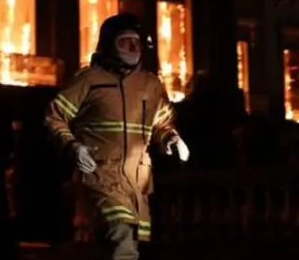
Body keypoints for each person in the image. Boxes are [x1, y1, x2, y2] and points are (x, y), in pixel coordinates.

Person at [44, 13, 190, 260]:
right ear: (109, 45)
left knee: (120, 242)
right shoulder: (89, 81)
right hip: (99, 175)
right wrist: (73, 147)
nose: (133, 48)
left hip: (138, 182)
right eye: (125, 42)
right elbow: (54, 117)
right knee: (121, 237)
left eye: (137, 42)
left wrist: (170, 137)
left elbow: (161, 122)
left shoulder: (151, 85)